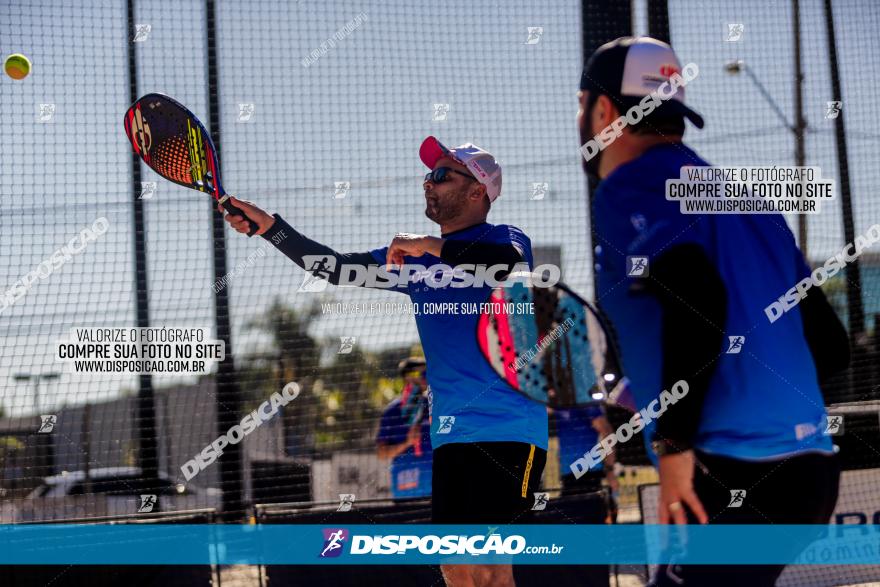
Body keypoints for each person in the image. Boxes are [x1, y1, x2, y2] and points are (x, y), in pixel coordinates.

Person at [577, 36, 849, 585]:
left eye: (581, 106)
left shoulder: (629, 187)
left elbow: (697, 298)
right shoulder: (747, 200)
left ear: (603, 111)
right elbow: (830, 344)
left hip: (730, 474)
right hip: (812, 471)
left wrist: (676, 444)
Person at [222, 136, 548, 587]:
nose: (428, 183)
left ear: (478, 191)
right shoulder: (413, 260)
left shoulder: (504, 240)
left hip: (509, 427)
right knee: (456, 567)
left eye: (441, 174)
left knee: (492, 569)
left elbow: (505, 266)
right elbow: (332, 267)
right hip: (453, 434)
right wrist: (269, 227)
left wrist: (430, 246)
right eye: (427, 175)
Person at [376, 357, 432, 501]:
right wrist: (407, 443)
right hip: (406, 489)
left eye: (427, 372)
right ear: (408, 377)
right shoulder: (391, 412)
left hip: (434, 487)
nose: (426, 376)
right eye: (421, 373)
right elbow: (382, 454)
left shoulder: (434, 407)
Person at [553, 405, 618, 520]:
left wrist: (610, 471)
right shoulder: (559, 405)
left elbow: (606, 432)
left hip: (589, 475)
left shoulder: (585, 401)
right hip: (568, 478)